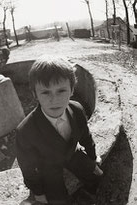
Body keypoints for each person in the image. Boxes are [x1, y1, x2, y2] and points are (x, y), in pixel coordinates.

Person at [16, 55, 103, 205]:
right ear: (34, 94)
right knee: (58, 200)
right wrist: (38, 192)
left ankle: (86, 196)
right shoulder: (25, 131)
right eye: (45, 92)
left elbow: (86, 137)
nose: (54, 99)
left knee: (97, 176)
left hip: (72, 153)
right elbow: (28, 167)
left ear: (72, 90)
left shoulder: (76, 109)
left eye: (61, 90)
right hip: (47, 166)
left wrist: (92, 157)